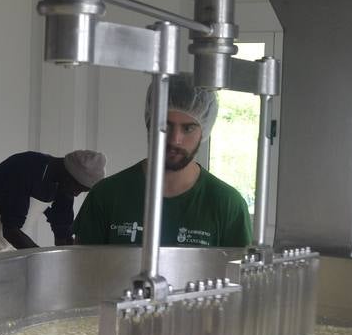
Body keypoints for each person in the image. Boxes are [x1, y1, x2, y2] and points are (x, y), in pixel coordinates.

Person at [74, 73, 251, 248]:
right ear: (148, 123)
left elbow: (240, 275)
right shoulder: (106, 196)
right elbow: (81, 272)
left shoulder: (227, 205)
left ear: (204, 131)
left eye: (188, 128)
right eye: (165, 125)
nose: (175, 140)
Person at [0, 150, 106, 258]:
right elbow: (10, 230)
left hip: (2, 244)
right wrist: (44, 261)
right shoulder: (25, 168)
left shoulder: (64, 185)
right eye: (78, 188)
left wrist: (69, 260)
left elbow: (62, 233)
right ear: (69, 175)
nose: (77, 193)